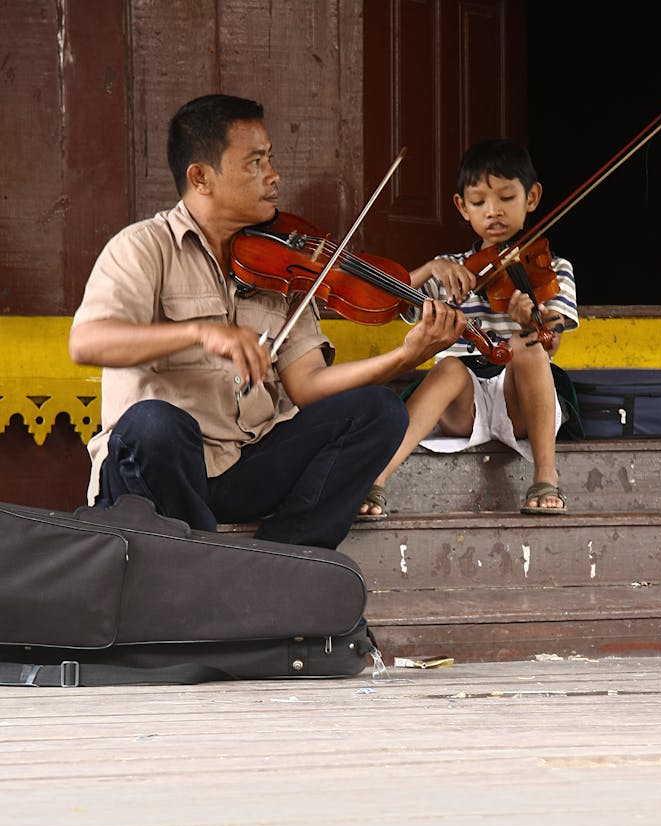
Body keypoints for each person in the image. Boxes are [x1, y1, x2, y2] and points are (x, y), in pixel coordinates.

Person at [69, 93, 465, 549]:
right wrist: (200, 332)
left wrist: (406, 355)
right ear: (201, 177)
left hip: (242, 467)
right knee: (155, 423)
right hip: (160, 473)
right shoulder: (141, 248)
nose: (273, 176)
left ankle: (286, 559)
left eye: (270, 159)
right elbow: (87, 343)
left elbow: (309, 384)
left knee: (379, 411)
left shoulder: (281, 261)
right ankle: (205, 566)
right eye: (255, 163)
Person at [358, 137, 578, 519]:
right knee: (448, 366)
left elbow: (552, 343)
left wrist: (533, 322)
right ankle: (376, 479)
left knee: (526, 346)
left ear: (532, 197)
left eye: (506, 198)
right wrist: (429, 269)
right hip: (464, 406)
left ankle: (545, 475)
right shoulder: (451, 269)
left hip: (519, 401)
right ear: (462, 207)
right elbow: (387, 301)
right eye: (479, 202)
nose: (493, 212)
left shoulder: (553, 269)